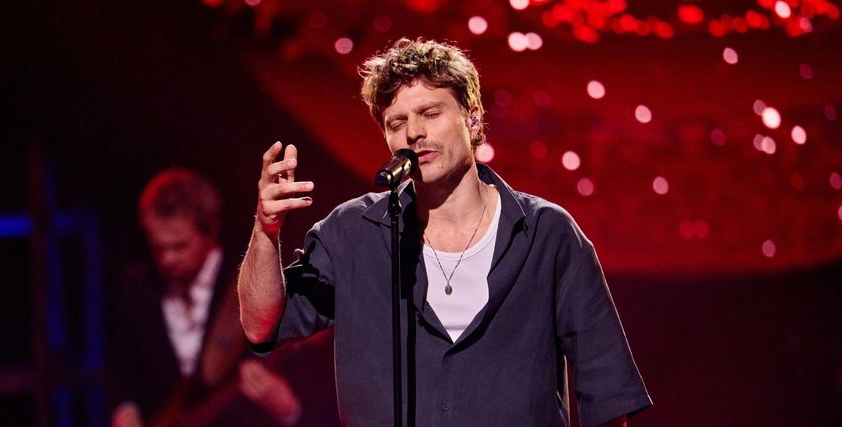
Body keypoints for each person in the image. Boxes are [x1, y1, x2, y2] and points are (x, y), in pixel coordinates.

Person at [238, 38, 652, 426]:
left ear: (473, 119)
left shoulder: (548, 233)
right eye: (396, 122)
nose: (413, 133)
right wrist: (265, 229)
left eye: (430, 114)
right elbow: (261, 325)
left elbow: (607, 391)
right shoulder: (352, 233)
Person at [107, 167, 312, 427]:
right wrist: (126, 412)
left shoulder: (254, 278)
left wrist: (287, 408)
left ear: (211, 231)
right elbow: (123, 371)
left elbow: (314, 392)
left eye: (179, 246)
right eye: (158, 247)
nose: (167, 259)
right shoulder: (139, 287)